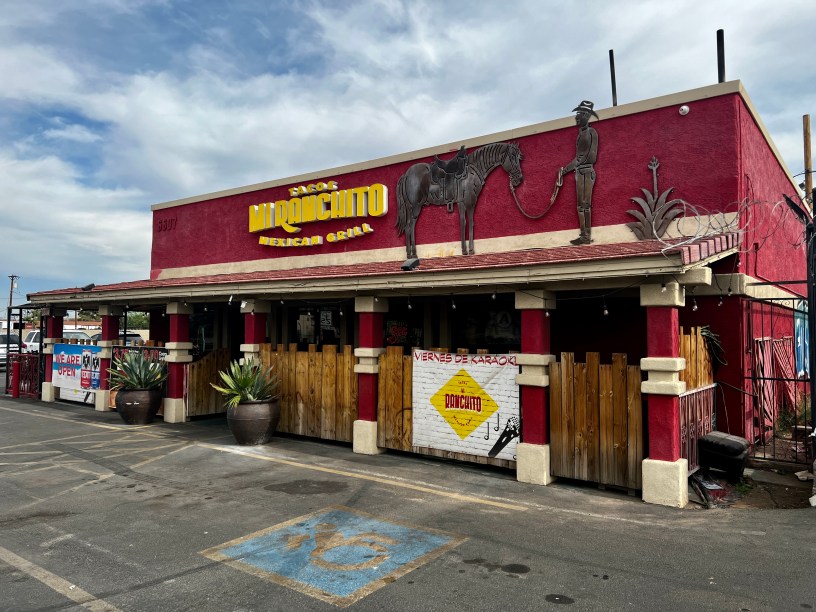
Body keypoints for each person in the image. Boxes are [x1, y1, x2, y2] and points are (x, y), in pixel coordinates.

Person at [560, 100, 599, 245]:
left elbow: (586, 157)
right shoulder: (580, 134)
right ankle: (583, 234)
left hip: (586, 171)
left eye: (579, 114)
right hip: (580, 172)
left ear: (586, 115)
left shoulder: (591, 133)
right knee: (580, 206)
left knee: (585, 204)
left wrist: (566, 169)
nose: (576, 117)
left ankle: (586, 236)